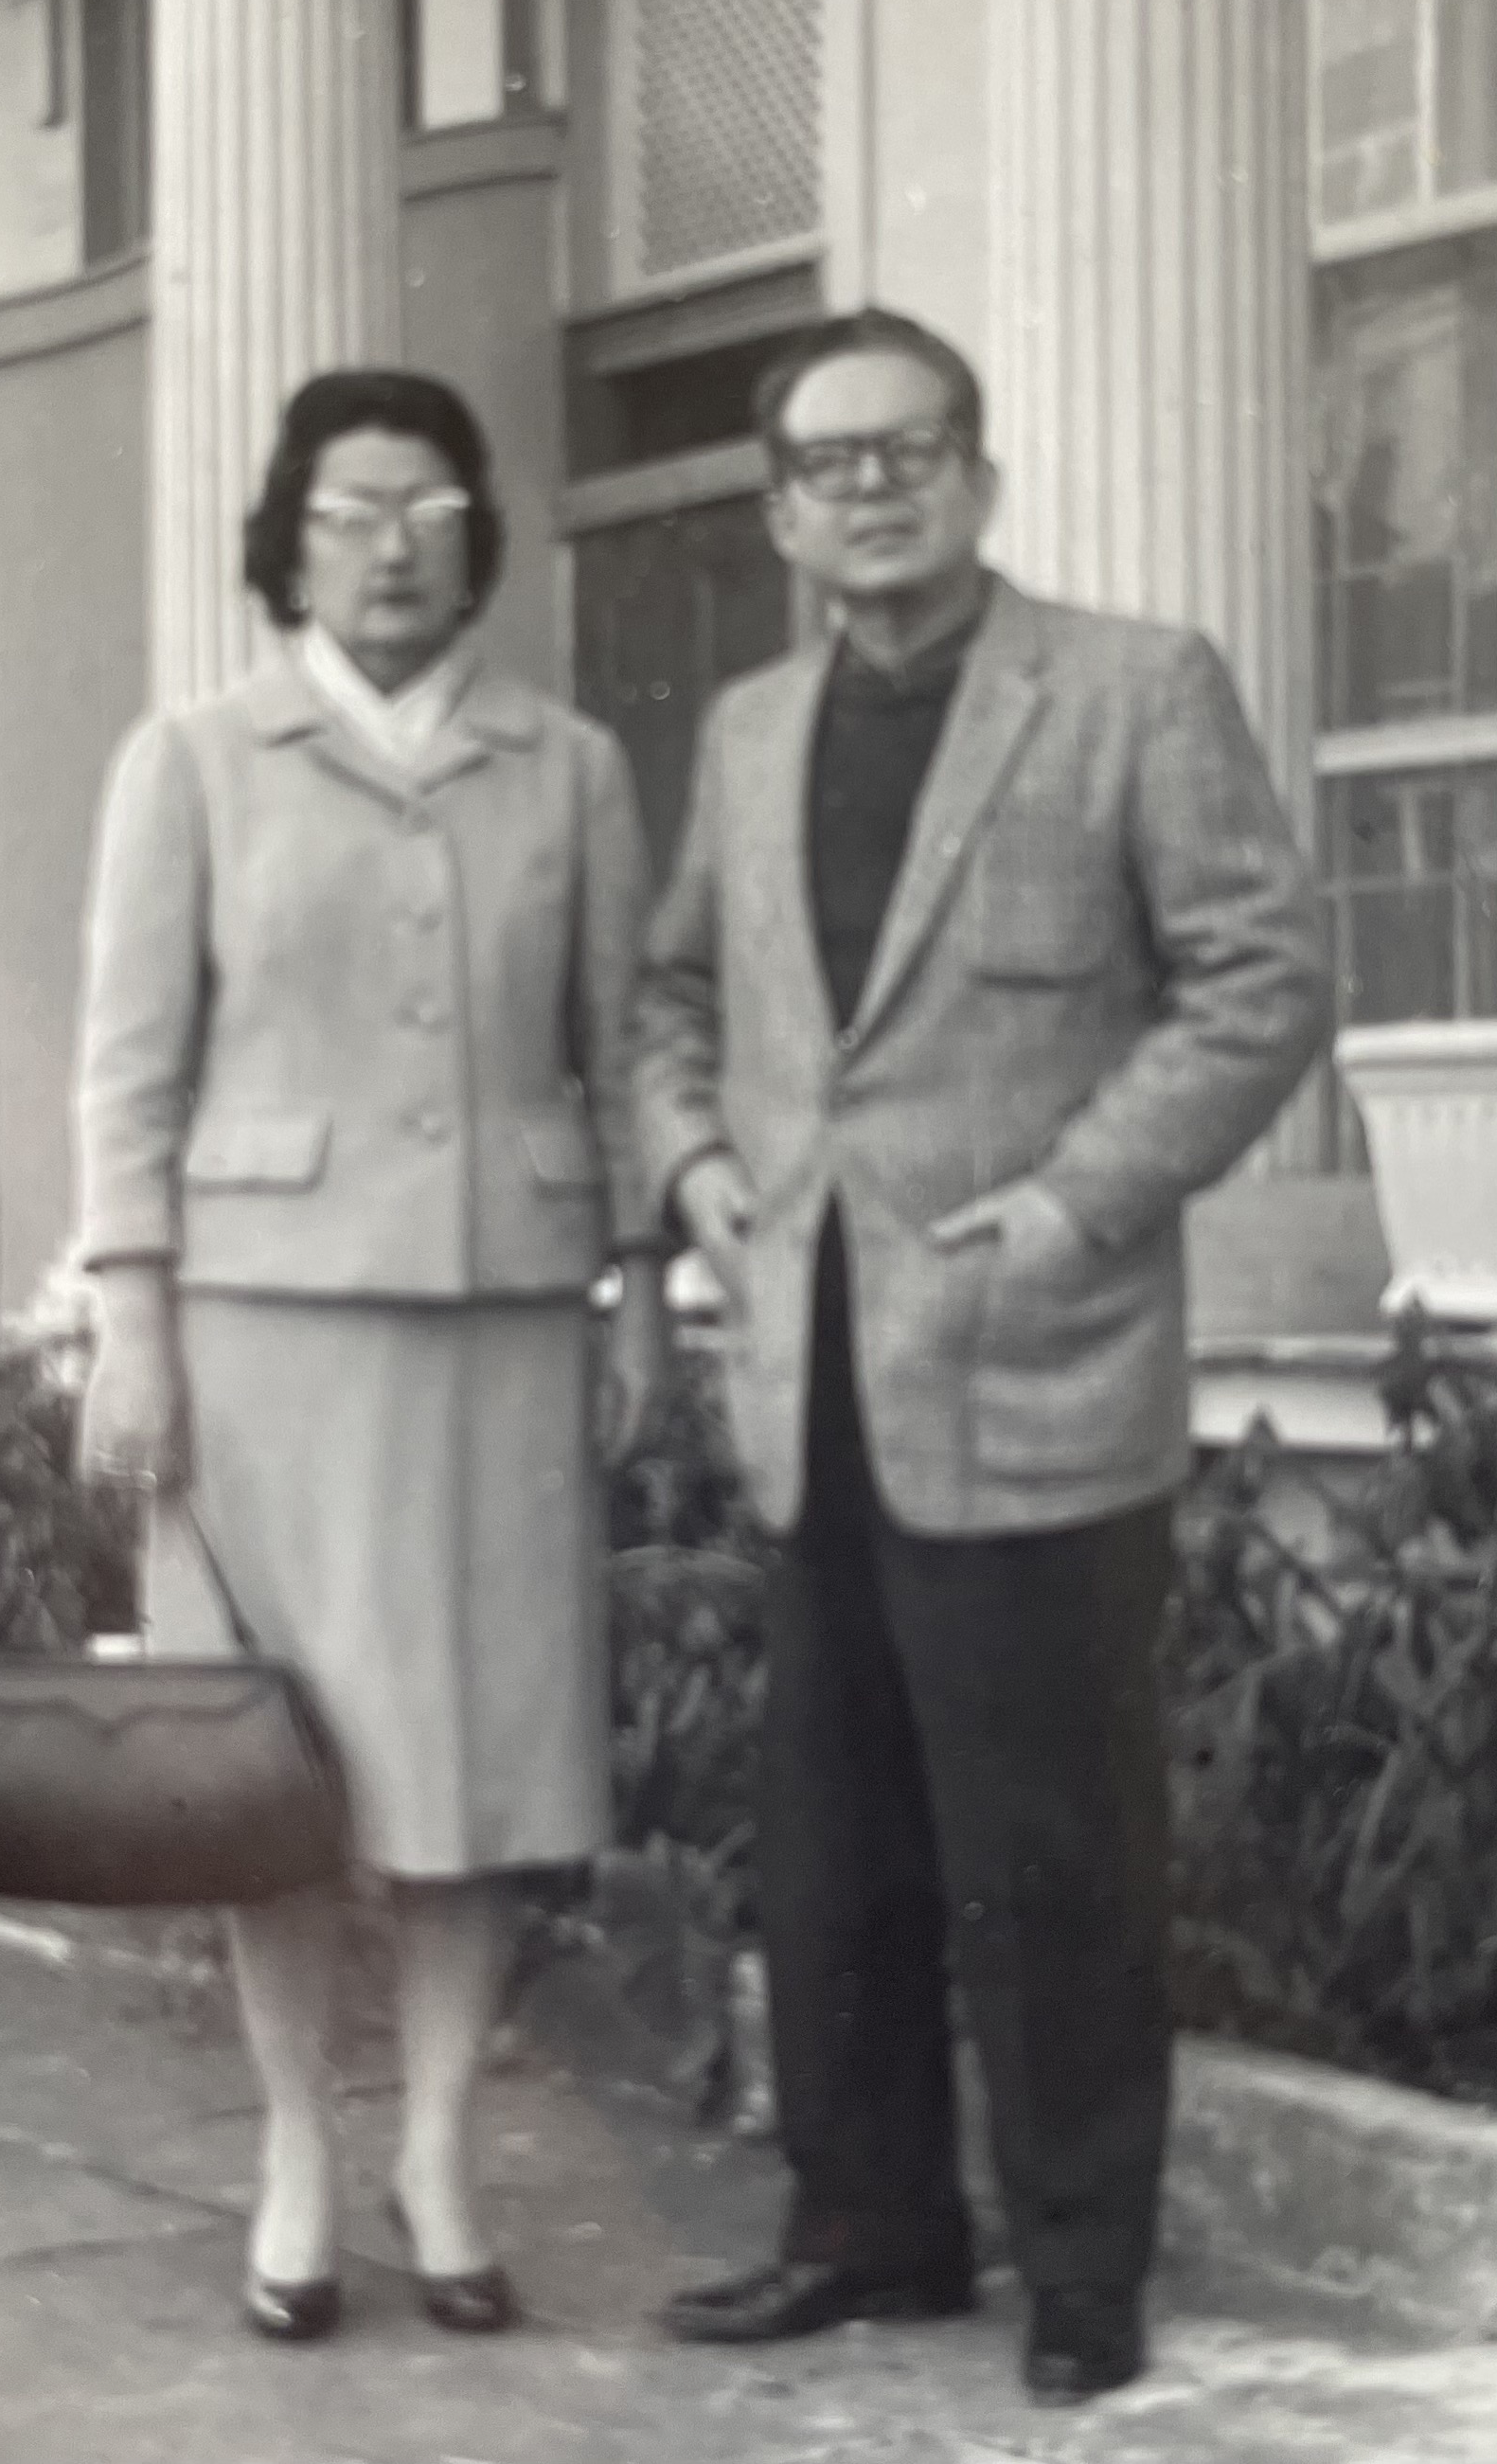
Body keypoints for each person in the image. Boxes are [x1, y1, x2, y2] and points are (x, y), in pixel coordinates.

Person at [632, 308, 1326, 2405]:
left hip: (1028, 1362)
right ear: (776, 509)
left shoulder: (1130, 689)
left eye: (909, 445)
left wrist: (1076, 1200)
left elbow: (1258, 978)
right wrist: (690, 1176)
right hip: (806, 1378)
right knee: (833, 1839)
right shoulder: (752, 731)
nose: (871, 483)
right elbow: (669, 994)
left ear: (979, 474)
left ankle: (1082, 2262)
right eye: (827, 460)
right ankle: (869, 2228)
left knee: (1051, 1847)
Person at [71, 366, 670, 2346]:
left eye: (424, 504)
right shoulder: (193, 759)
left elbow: (616, 1042)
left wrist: (642, 1291)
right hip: (256, 1339)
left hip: (503, 1322)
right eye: (347, 509)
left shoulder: (567, 763)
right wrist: (130, 1320)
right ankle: (294, 2153)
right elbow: (126, 1074)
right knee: (275, 1772)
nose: (389, 543)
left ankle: (433, 2148)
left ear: (476, 531)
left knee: (473, 1756)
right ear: (287, 535)